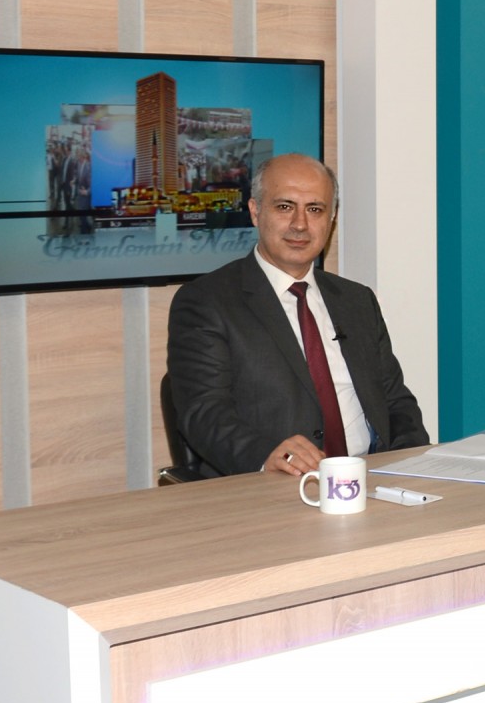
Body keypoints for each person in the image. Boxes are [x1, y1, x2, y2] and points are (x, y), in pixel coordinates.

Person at [166, 153, 428, 477]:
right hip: (279, 486)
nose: (300, 224)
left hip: (373, 479)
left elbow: (396, 402)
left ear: (331, 219)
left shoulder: (357, 301)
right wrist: (266, 457)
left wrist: (410, 468)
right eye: (285, 207)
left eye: (315, 209)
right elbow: (204, 413)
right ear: (255, 211)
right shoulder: (207, 302)